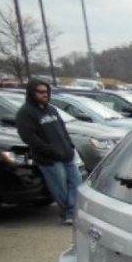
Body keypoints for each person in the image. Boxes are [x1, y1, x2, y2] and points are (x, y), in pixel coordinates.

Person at [16, 79, 81, 225]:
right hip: (49, 159)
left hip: (66, 154)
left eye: (47, 92)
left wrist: (69, 146)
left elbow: (62, 130)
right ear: (32, 93)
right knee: (60, 188)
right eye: (41, 92)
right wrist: (49, 149)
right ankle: (68, 214)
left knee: (76, 183)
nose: (45, 95)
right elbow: (29, 137)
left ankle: (73, 211)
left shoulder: (51, 109)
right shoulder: (25, 113)